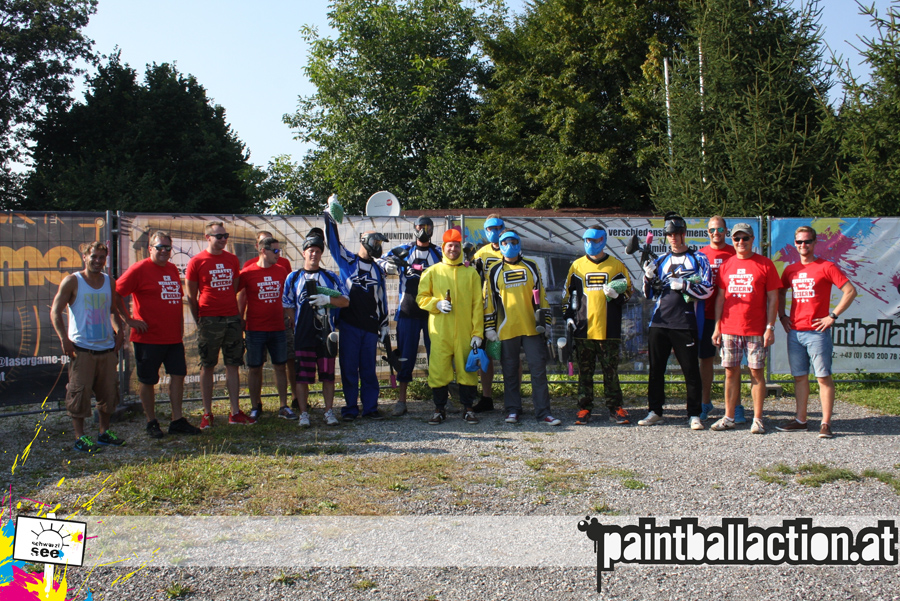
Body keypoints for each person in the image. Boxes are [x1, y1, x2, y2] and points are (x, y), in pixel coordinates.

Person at [116, 231, 201, 439]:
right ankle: (151, 421)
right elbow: (116, 293)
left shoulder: (171, 269)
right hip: (148, 337)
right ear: (150, 249)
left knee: (178, 376)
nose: (164, 251)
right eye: (159, 247)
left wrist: (180, 327)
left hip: (173, 338)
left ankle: (177, 420)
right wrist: (128, 320)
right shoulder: (139, 269)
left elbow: (175, 300)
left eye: (167, 248)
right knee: (148, 380)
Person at [776, 226, 857, 439]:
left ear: (814, 243)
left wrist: (833, 316)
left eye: (807, 241)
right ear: (795, 244)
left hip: (817, 333)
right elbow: (780, 292)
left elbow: (850, 291)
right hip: (795, 332)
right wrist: (782, 316)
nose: (803, 245)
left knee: (823, 377)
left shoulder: (826, 266)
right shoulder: (790, 270)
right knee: (799, 378)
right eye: (799, 242)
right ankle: (801, 421)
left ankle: (825, 423)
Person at [639, 213, 713, 430]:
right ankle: (655, 411)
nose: (673, 237)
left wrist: (685, 285)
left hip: (686, 322)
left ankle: (694, 414)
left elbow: (708, 288)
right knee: (656, 370)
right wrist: (648, 278)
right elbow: (649, 294)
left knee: (691, 371)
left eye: (677, 233)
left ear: (684, 234)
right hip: (659, 322)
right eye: (670, 234)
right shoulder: (661, 260)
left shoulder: (699, 259)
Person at [51, 241, 127, 453]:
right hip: (82, 350)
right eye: (93, 256)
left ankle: (104, 433)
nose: (97, 261)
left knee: (109, 394)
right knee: (79, 394)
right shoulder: (72, 281)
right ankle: (80, 437)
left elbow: (112, 310)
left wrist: (120, 331)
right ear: (85, 257)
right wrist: (64, 339)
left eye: (102, 257)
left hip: (107, 349)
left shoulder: (109, 281)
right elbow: (55, 311)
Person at [710, 223, 781, 434]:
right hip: (729, 327)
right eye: (736, 238)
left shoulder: (765, 264)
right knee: (730, 372)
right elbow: (720, 298)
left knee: (756, 373)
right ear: (732, 240)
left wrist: (770, 327)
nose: (741, 242)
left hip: (756, 329)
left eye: (745, 238)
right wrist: (717, 327)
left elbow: (773, 298)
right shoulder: (726, 265)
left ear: (752, 239)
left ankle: (757, 419)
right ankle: (729, 417)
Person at [484, 230, 560, 425]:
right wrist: (489, 328)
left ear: (519, 243)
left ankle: (543, 412)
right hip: (506, 328)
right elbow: (490, 301)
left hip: (532, 328)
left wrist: (546, 322)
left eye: (513, 241)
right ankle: (512, 410)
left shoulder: (531, 266)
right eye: (505, 242)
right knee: (509, 371)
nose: (509, 245)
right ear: (500, 245)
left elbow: (542, 295)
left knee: (538, 370)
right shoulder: (494, 270)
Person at [323, 211, 391, 420]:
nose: (378, 246)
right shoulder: (348, 261)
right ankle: (350, 409)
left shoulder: (378, 270)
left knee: (369, 370)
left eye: (380, 243)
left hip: (370, 327)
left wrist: (384, 324)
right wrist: (329, 216)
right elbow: (333, 244)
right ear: (364, 241)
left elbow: (382, 298)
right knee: (349, 369)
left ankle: (370, 408)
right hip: (349, 324)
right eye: (375, 242)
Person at [563, 225, 633, 425]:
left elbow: (629, 292)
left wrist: (617, 296)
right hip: (583, 329)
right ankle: (584, 408)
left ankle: (615, 408)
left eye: (594, 240)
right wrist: (568, 316)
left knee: (611, 371)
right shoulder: (577, 266)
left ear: (603, 240)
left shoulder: (616, 266)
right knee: (585, 373)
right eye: (587, 240)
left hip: (609, 329)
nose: (590, 244)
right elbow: (568, 294)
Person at [186, 221, 251, 427]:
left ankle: (235, 411)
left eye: (225, 236)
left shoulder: (232, 259)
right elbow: (191, 295)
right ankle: (207, 413)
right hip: (209, 318)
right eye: (219, 236)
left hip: (231, 317)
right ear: (208, 237)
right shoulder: (196, 261)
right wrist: (199, 319)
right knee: (208, 365)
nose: (223, 239)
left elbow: (234, 288)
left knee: (233, 364)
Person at [283, 229, 350, 427]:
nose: (314, 254)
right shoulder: (293, 277)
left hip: (326, 332)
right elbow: (287, 304)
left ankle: (329, 411)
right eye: (311, 251)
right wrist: (294, 321)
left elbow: (345, 301)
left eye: (318, 251)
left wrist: (327, 299)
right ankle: (304, 413)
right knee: (302, 377)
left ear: (321, 254)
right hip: (303, 333)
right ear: (304, 252)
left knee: (328, 375)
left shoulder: (330, 276)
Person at [417, 228, 484, 424]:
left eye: (456, 246)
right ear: (443, 247)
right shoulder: (432, 272)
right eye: (449, 246)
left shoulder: (471, 273)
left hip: (465, 332)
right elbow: (421, 298)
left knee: (468, 370)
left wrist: (477, 333)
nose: (453, 249)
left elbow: (477, 305)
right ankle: (439, 409)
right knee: (438, 370)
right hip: (440, 331)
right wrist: (436, 304)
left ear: (460, 248)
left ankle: (468, 409)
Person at [380, 216, 442, 416]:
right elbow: (379, 260)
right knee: (405, 358)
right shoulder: (404, 250)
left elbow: (455, 266)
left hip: (433, 312)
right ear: (414, 228)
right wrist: (388, 266)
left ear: (432, 230)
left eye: (427, 227)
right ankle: (402, 401)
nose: (423, 230)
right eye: (420, 227)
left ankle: (441, 399)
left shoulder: (439, 252)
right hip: (407, 311)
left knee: (437, 357)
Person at [238, 236, 292, 421]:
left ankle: (283, 405)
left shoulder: (281, 271)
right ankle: (255, 406)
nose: (278, 255)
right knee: (255, 368)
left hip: (278, 327)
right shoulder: (248, 272)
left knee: (280, 366)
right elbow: (238, 294)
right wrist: (239, 318)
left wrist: (290, 316)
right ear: (263, 250)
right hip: (255, 328)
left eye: (280, 251)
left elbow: (287, 297)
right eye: (275, 251)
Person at [698, 216, 736, 421]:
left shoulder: (735, 252)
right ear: (708, 232)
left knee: (733, 364)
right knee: (705, 360)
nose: (716, 233)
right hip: (705, 314)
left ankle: (736, 406)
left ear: (726, 231)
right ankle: (705, 403)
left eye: (720, 229)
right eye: (712, 229)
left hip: (730, 315)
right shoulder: (701, 254)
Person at [471, 214, 505, 413]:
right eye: (490, 229)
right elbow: (474, 279)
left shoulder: (512, 247)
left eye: (497, 228)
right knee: (485, 354)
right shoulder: (480, 253)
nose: (494, 232)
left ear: (503, 228)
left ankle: (513, 397)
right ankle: (486, 398)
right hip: (486, 309)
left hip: (508, 309)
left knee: (509, 355)